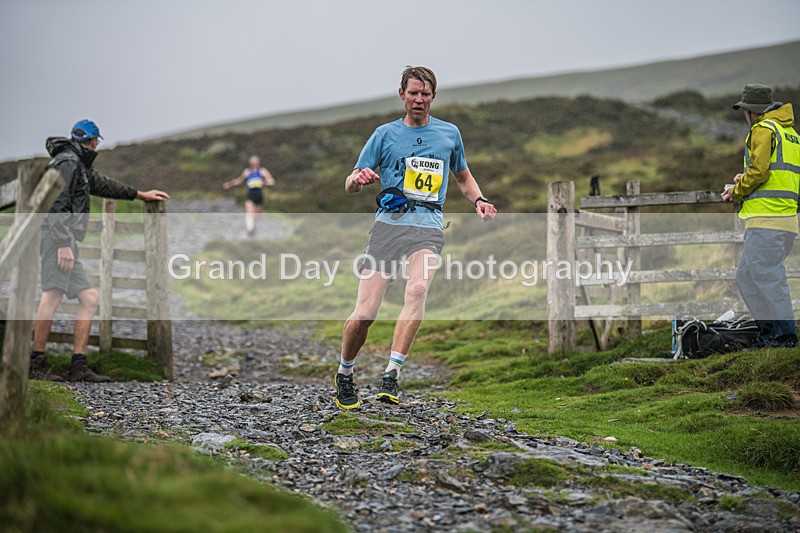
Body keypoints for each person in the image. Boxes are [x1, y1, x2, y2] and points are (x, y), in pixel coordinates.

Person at [333, 66, 497, 409]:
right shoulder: (384, 135)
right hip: (388, 227)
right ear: (402, 95)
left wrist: (479, 200)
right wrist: (357, 180)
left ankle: (391, 375)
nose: (419, 99)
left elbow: (463, 177)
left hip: (428, 226)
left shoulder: (449, 134)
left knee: (418, 289)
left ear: (433, 96)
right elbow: (349, 183)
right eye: (413, 93)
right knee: (365, 313)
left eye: (425, 94)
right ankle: (345, 373)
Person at [30, 120, 169, 382]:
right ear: (94, 141)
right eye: (97, 142)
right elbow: (56, 202)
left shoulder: (77, 163)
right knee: (52, 295)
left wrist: (139, 194)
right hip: (57, 238)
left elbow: (103, 185)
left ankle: (78, 365)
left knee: (90, 298)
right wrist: (62, 244)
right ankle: (35, 364)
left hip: (63, 238)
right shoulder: (68, 162)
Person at [722, 84, 800, 348]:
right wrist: (746, 178)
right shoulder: (790, 134)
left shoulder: (763, 129)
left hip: (767, 219)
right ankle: (769, 335)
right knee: (746, 277)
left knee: (768, 278)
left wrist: (737, 190)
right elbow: (776, 173)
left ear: (751, 111)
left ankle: (785, 337)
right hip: (785, 220)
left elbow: (760, 172)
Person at [223, 155, 276, 236]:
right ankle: (249, 229)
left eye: (255, 162)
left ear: (258, 162)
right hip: (250, 194)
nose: (253, 164)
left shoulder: (262, 171)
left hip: (259, 194)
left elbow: (272, 181)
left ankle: (253, 225)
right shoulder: (247, 171)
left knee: (257, 213)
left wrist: (265, 182)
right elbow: (239, 180)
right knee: (249, 211)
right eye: (252, 162)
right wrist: (229, 184)